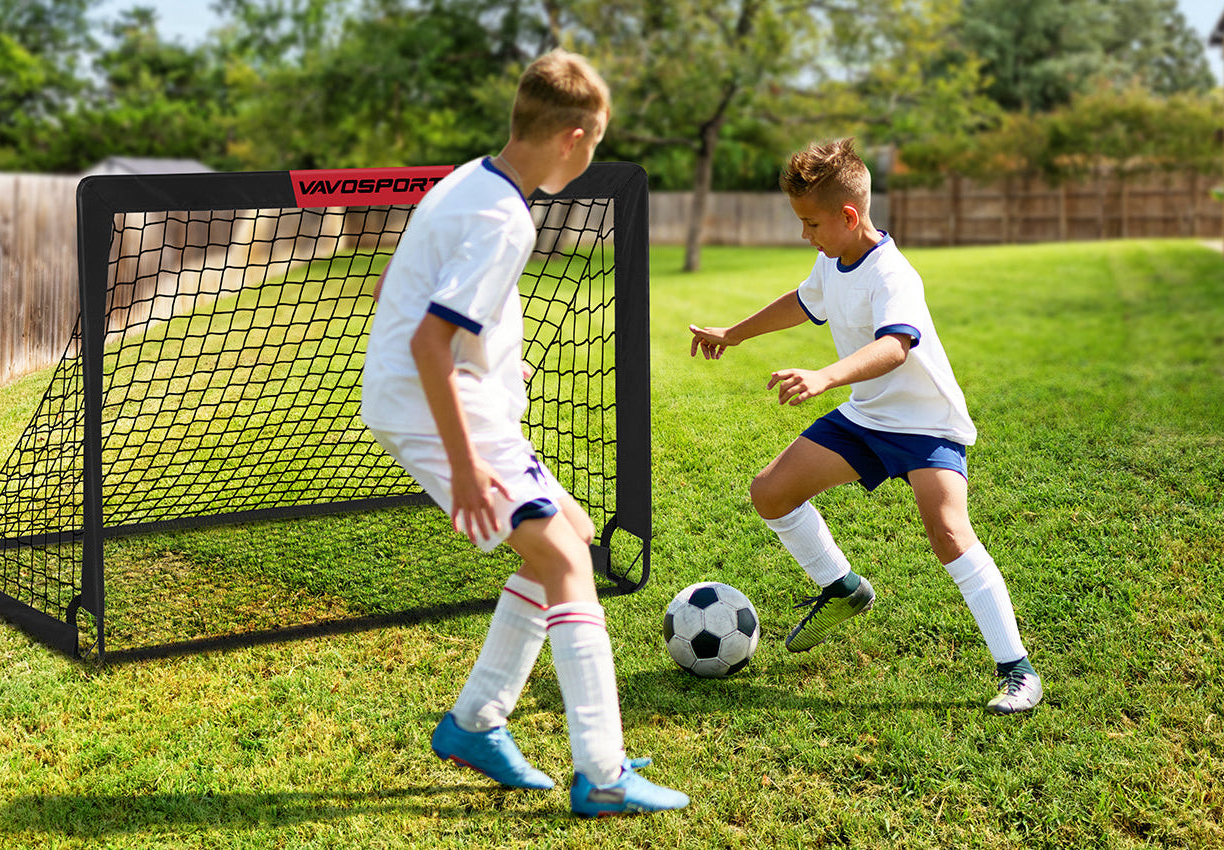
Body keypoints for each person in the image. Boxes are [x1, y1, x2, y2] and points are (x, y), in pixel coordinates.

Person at [360, 49, 688, 816]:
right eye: (596, 141)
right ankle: (602, 775)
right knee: (567, 560)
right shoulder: (505, 216)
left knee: (571, 534)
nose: (593, 153)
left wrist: (500, 358)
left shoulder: (467, 182)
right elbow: (428, 344)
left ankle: (475, 722)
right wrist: (466, 466)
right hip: (440, 405)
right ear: (574, 137)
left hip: (445, 395)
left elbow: (396, 290)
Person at [687, 138, 1042, 715]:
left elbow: (896, 346)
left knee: (949, 533)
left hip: (926, 425)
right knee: (771, 492)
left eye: (811, 223)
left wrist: (825, 376)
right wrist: (733, 334)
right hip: (868, 417)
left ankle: (1017, 671)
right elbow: (802, 302)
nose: (805, 235)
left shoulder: (893, 274)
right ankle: (842, 587)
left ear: (849, 217)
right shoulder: (832, 260)